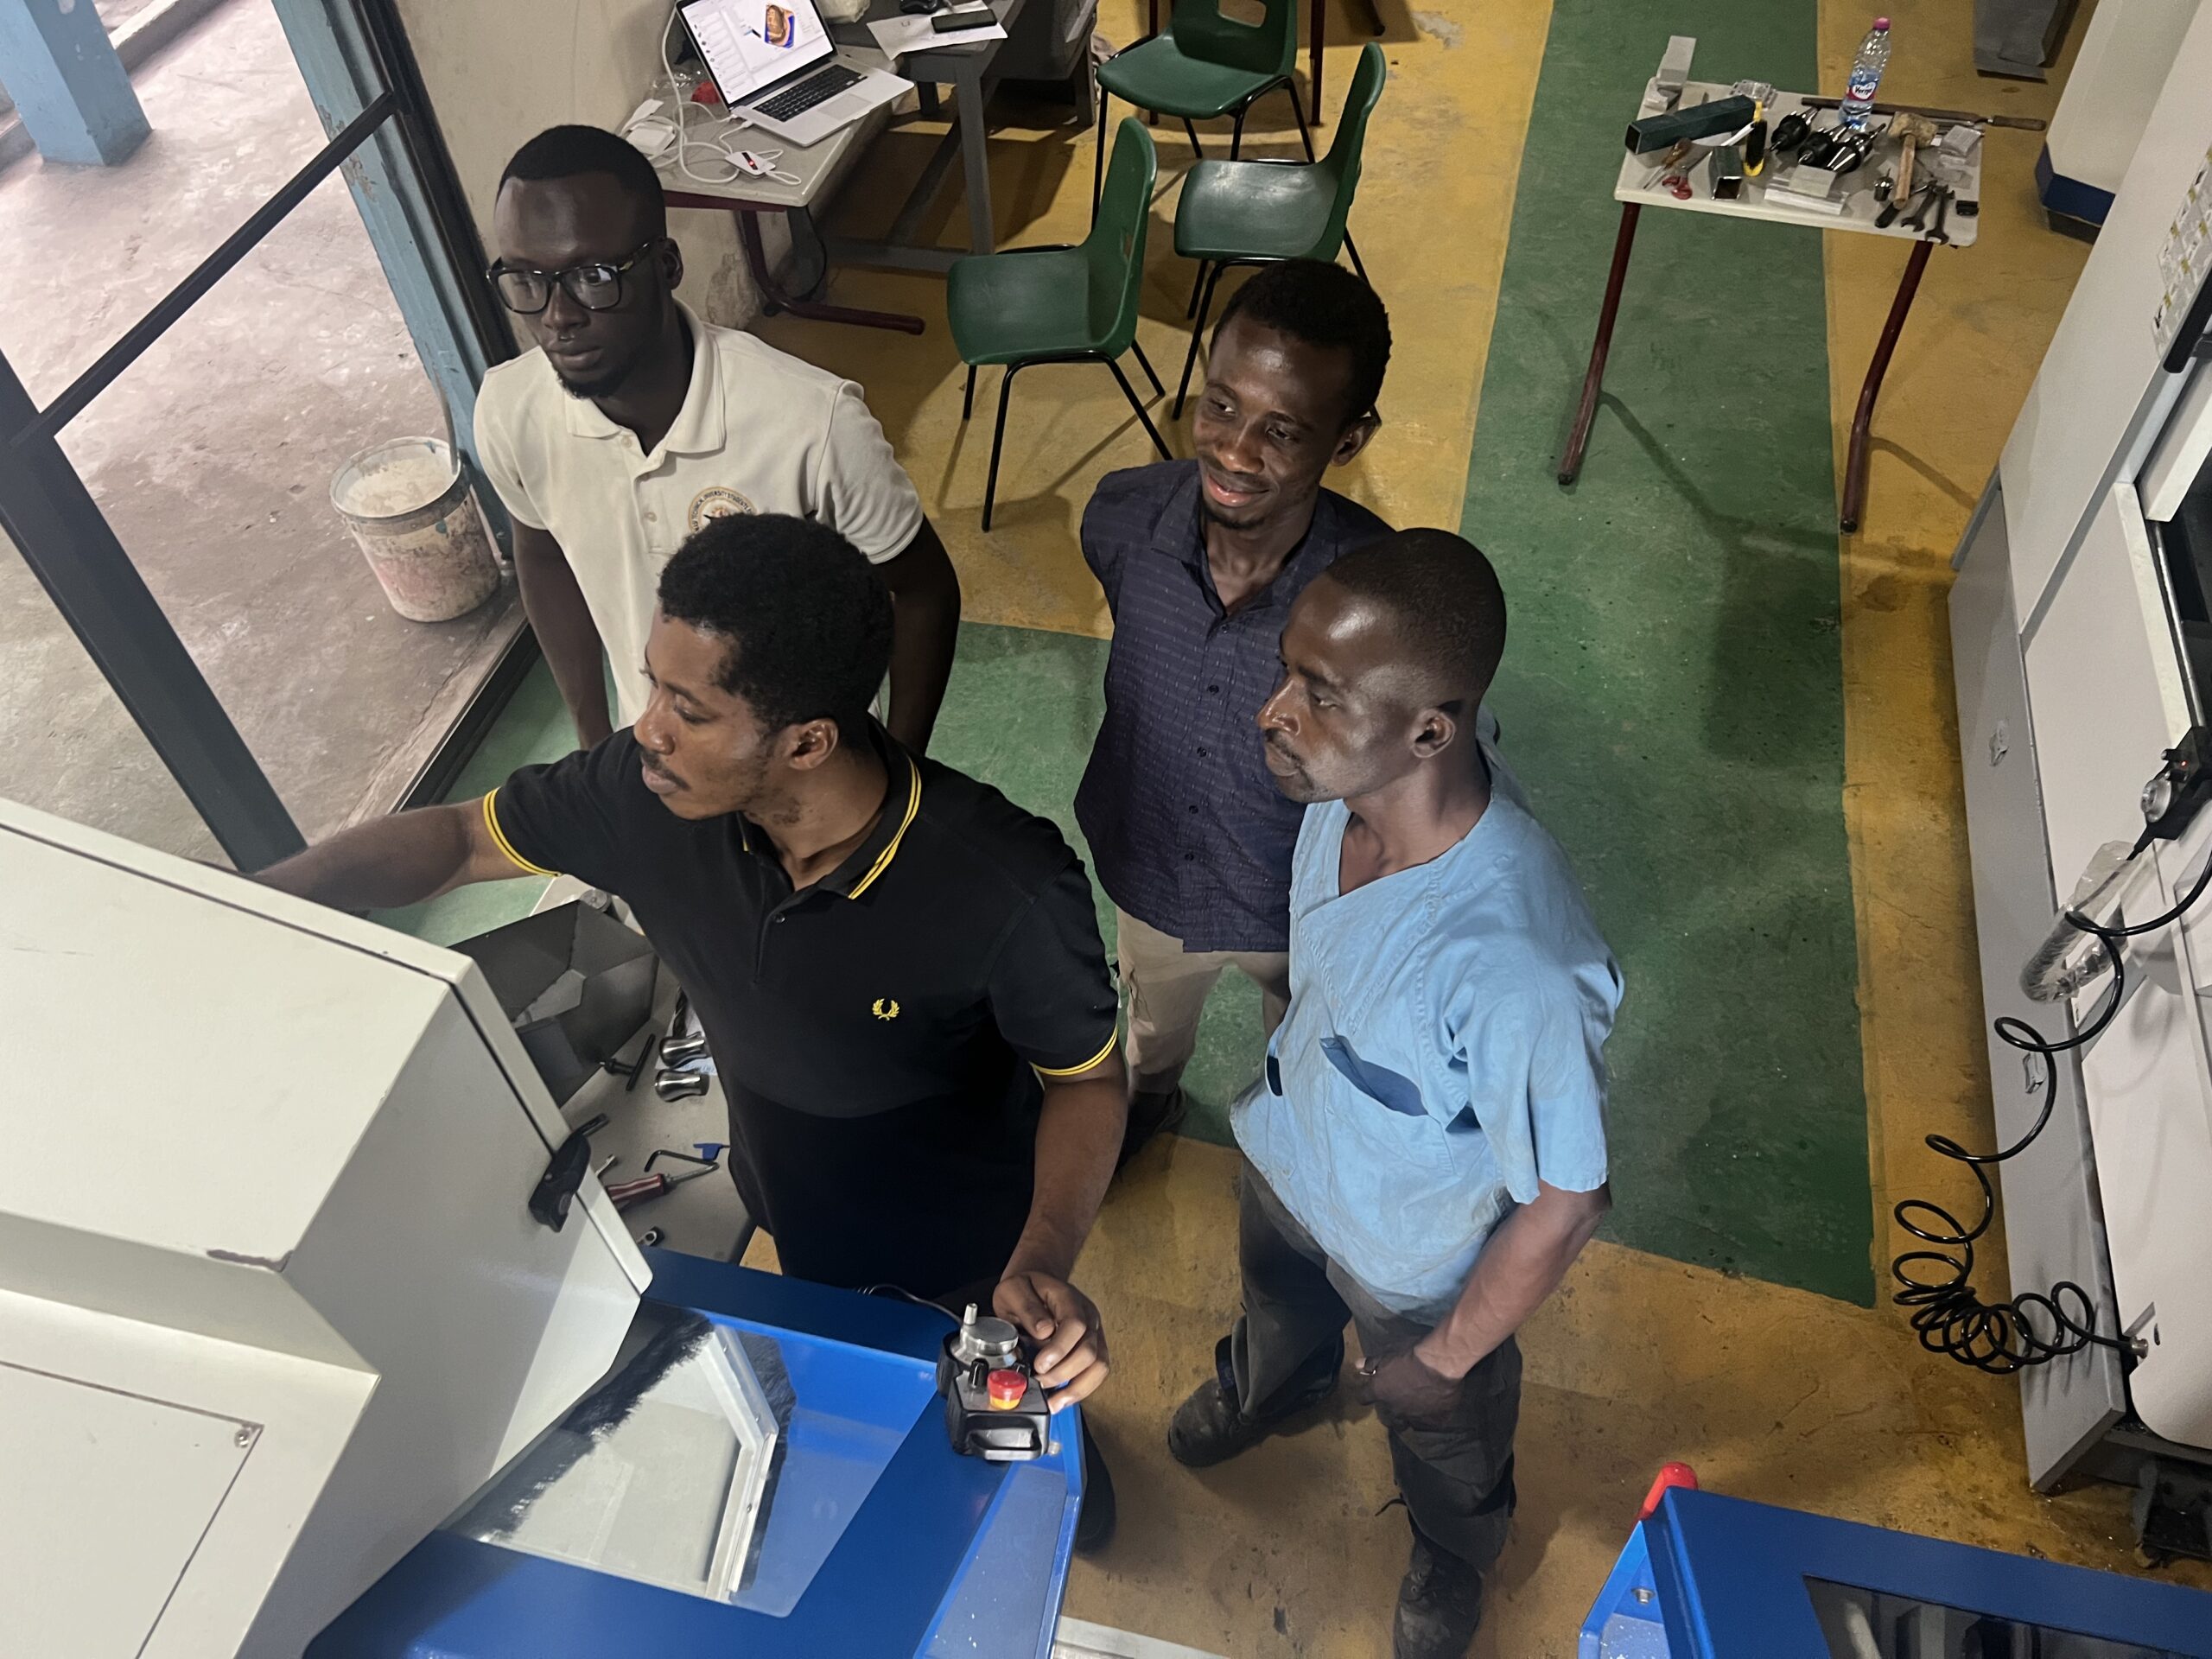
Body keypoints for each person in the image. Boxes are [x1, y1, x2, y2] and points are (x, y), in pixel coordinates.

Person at [257, 514, 1124, 1544]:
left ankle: (1076, 1487)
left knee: (999, 1436)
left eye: (689, 708)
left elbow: (1086, 1082)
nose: (648, 730)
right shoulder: (644, 797)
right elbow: (453, 843)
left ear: (806, 741)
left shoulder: (1006, 890)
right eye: (653, 687)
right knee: (844, 1408)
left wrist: (1046, 1253)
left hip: (963, 1246)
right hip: (787, 1200)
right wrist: (262, 899)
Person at [1166, 531, 1623, 1657]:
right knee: (1275, 1299)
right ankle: (1275, 1378)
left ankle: (1451, 1554)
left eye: (1320, 696)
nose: (1274, 712)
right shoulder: (1348, 795)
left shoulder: (1515, 964)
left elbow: (1568, 1200)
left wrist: (1445, 1355)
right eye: (1289, 674)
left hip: (1411, 1262)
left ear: (1434, 728)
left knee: (1447, 1439)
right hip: (1290, 1158)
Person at [474, 124, 961, 753]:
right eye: (526, 279)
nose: (557, 316)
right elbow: (541, 551)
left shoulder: (814, 423)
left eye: (593, 276)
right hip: (653, 763)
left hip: (808, 769)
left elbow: (922, 588)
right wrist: (596, 740)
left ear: (668, 265)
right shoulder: (510, 410)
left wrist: (900, 767)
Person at [1074, 260, 1391, 1165]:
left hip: (1297, 899)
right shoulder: (1121, 520)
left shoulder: (1372, 598)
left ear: (1348, 438)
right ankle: (1153, 1103)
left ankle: (1288, 1128)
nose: (1235, 451)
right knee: (1151, 1021)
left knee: (1300, 1042)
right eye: (1219, 406)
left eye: (1282, 429)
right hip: (1153, 875)